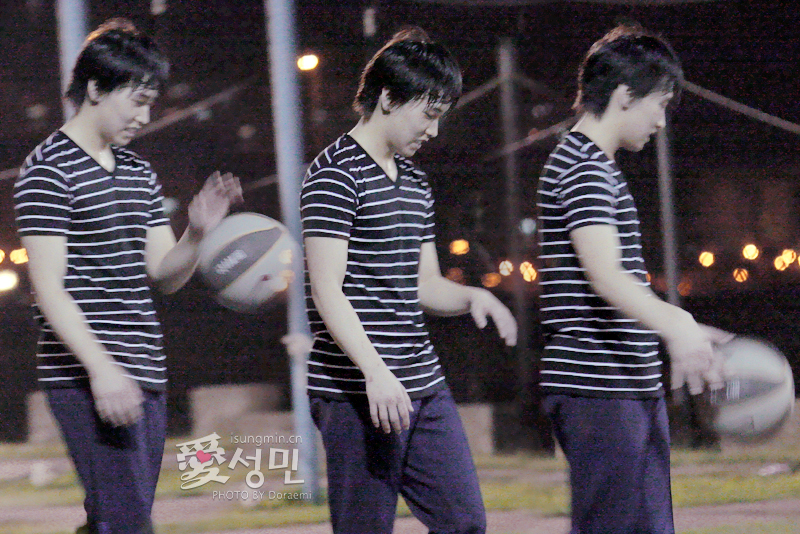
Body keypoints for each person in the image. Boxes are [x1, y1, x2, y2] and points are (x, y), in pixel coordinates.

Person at [13, 18, 241, 534]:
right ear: (95, 89)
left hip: (145, 369)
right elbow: (49, 289)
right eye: (137, 101)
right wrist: (101, 370)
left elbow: (164, 275)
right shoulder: (48, 170)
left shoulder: (139, 172)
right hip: (84, 375)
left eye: (151, 103)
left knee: (115, 519)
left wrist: (196, 234)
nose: (145, 116)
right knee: (128, 522)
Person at [300, 27, 517, 534]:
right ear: (388, 98)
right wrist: (375, 373)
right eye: (428, 114)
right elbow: (327, 290)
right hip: (356, 389)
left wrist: (473, 296)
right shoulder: (334, 175)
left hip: (421, 381)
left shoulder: (415, 182)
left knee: (465, 522)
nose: (434, 131)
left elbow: (424, 284)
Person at [535, 24, 731, 534]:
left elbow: (614, 282)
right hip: (598, 388)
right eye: (659, 104)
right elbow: (605, 276)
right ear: (624, 95)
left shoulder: (594, 166)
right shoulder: (583, 168)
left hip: (620, 384)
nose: (661, 121)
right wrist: (677, 324)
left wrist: (681, 331)